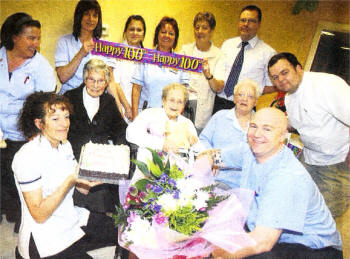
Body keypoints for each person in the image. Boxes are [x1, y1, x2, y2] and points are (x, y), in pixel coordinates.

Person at [211, 108, 342, 259]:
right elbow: (216, 156)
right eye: (253, 126)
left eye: (267, 129)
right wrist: (207, 162)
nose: (257, 134)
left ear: (283, 136)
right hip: (269, 232)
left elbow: (262, 242)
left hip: (314, 248)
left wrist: (218, 254)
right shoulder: (251, 151)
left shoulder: (287, 176)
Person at [12, 92, 118, 259]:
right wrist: (70, 181)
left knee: (124, 231)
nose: (64, 124)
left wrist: (90, 178)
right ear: (39, 123)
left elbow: (80, 188)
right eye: (55, 119)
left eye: (66, 117)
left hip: (70, 219)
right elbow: (39, 215)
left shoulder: (64, 145)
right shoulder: (27, 157)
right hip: (44, 239)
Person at [267, 52, 350, 219]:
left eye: (285, 72)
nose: (281, 80)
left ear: (298, 68)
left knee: (326, 214)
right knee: (298, 201)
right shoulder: (290, 97)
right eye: (275, 77)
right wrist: (270, 124)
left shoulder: (327, 85)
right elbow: (296, 124)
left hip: (337, 163)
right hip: (310, 159)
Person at [0, 12, 56, 231]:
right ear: (14, 37)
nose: (36, 43)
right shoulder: (1, 55)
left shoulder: (40, 65)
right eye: (31, 38)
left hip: (23, 132)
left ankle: (19, 214)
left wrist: (34, 131)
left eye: (38, 38)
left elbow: (45, 103)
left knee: (17, 172)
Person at [64, 58, 128, 214]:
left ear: (106, 83)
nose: (96, 85)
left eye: (101, 81)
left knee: (101, 205)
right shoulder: (70, 97)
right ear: (85, 79)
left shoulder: (109, 101)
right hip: (73, 157)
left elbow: (120, 129)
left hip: (100, 161)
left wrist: (120, 152)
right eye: (92, 79)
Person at [55, 0, 124, 114]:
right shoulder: (64, 41)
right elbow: (62, 77)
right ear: (79, 16)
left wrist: (119, 111)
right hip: (70, 101)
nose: (91, 19)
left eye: (95, 15)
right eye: (86, 14)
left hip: (97, 101)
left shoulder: (105, 45)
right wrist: (81, 53)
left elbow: (110, 82)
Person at [127, 83, 199, 182]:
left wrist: (193, 143)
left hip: (178, 174)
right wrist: (161, 144)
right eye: (172, 100)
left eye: (180, 102)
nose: (175, 105)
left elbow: (197, 148)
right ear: (163, 101)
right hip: (149, 170)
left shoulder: (187, 123)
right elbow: (131, 133)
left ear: (184, 105)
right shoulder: (150, 113)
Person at [213, 5, 276, 114]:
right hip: (218, 102)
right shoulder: (228, 44)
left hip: (244, 107)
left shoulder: (268, 53)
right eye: (243, 20)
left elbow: (273, 85)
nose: (246, 24)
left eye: (251, 21)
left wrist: (254, 92)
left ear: (259, 24)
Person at [199, 79, 260, 188]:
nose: (244, 99)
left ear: (255, 102)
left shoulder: (261, 125)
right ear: (235, 98)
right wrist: (212, 160)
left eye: (250, 96)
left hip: (246, 183)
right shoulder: (220, 116)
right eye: (240, 94)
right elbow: (204, 140)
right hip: (217, 177)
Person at [131, 16, 189, 120]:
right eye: (163, 32)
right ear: (157, 34)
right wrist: (135, 118)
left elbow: (183, 94)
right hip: (146, 115)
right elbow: (136, 89)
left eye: (171, 33)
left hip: (171, 117)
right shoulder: (145, 57)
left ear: (175, 38)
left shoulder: (181, 62)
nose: (167, 36)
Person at [180, 12, 225, 133]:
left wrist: (209, 76)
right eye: (197, 27)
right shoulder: (185, 50)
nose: (200, 31)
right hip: (182, 106)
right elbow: (175, 77)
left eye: (204, 28)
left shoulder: (219, 55)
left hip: (202, 112)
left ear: (211, 31)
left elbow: (219, 87)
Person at [113, 15, 146, 122]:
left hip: (142, 109)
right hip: (122, 108)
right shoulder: (117, 52)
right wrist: (127, 108)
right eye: (132, 29)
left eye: (139, 30)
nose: (135, 33)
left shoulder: (148, 56)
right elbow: (115, 83)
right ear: (126, 31)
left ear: (143, 34)